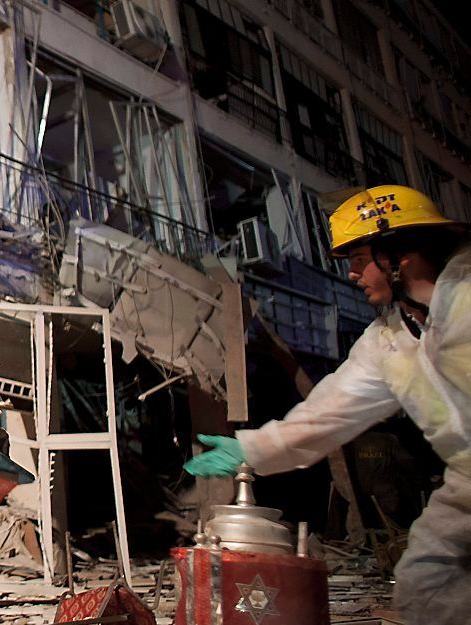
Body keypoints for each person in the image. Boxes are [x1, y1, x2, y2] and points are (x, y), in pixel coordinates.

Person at [184, 185, 470, 624]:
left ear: (399, 255)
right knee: (425, 580)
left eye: (359, 261)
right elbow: (329, 412)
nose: (352, 275)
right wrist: (253, 450)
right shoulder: (388, 340)